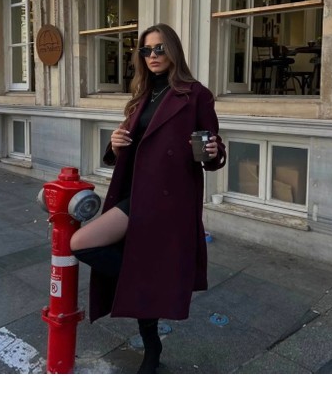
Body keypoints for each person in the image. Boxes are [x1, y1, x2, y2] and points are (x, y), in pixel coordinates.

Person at [70, 23, 226, 373]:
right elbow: (132, 145)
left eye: (159, 48)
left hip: (169, 201)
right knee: (83, 243)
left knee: (116, 253)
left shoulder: (196, 95)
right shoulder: (141, 94)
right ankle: (149, 297)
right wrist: (114, 145)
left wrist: (215, 152)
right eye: (146, 50)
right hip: (133, 191)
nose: (152, 55)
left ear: (173, 51)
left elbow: (211, 152)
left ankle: (151, 346)